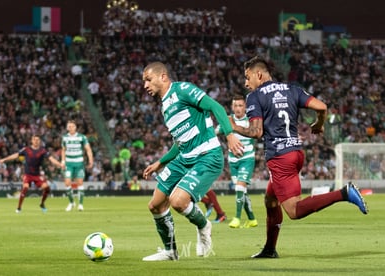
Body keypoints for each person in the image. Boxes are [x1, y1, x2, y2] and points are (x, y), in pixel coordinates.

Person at [230, 56, 368, 258]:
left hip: (279, 158)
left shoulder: (255, 96)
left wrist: (233, 126)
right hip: (295, 153)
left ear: (258, 74)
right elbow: (321, 107)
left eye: (247, 77)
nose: (245, 82)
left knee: (294, 211)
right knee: (271, 200)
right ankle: (269, 249)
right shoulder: (291, 89)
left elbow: (256, 131)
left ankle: (344, 193)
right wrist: (319, 124)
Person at [141, 61, 243, 261]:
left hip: (207, 156)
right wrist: (161, 162)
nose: (145, 85)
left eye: (148, 79)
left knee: (178, 202)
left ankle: (204, 225)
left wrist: (229, 134)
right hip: (184, 158)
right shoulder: (165, 107)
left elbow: (215, 106)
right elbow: (180, 142)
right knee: (155, 205)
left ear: (162, 77)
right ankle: (170, 251)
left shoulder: (183, 90)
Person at [217, 94, 258, 229]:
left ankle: (237, 218)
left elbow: (258, 132)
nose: (238, 108)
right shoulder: (227, 120)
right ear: (232, 107)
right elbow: (215, 131)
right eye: (235, 105)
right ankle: (252, 219)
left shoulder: (250, 120)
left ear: (245, 107)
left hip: (247, 159)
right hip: (233, 160)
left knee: (239, 188)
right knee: (242, 192)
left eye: (240, 105)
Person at [0, 134, 63, 213]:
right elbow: (16, 155)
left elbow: (51, 159)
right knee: (25, 188)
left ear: (40, 141)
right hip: (28, 174)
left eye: (38, 140)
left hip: (37, 175)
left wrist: (60, 164)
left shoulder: (43, 151)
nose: (36, 141)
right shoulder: (26, 149)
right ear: (32, 140)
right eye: (34, 140)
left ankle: (42, 204)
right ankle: (19, 208)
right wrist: (4, 159)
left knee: (47, 188)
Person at [61, 120, 94, 211]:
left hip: (79, 163)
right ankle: (71, 203)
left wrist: (91, 160)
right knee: (67, 183)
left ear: (75, 127)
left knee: (80, 183)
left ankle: (80, 204)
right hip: (69, 163)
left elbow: (88, 149)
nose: (70, 128)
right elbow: (63, 150)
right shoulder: (64, 138)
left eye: (72, 126)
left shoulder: (82, 137)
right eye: (69, 126)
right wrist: (63, 161)